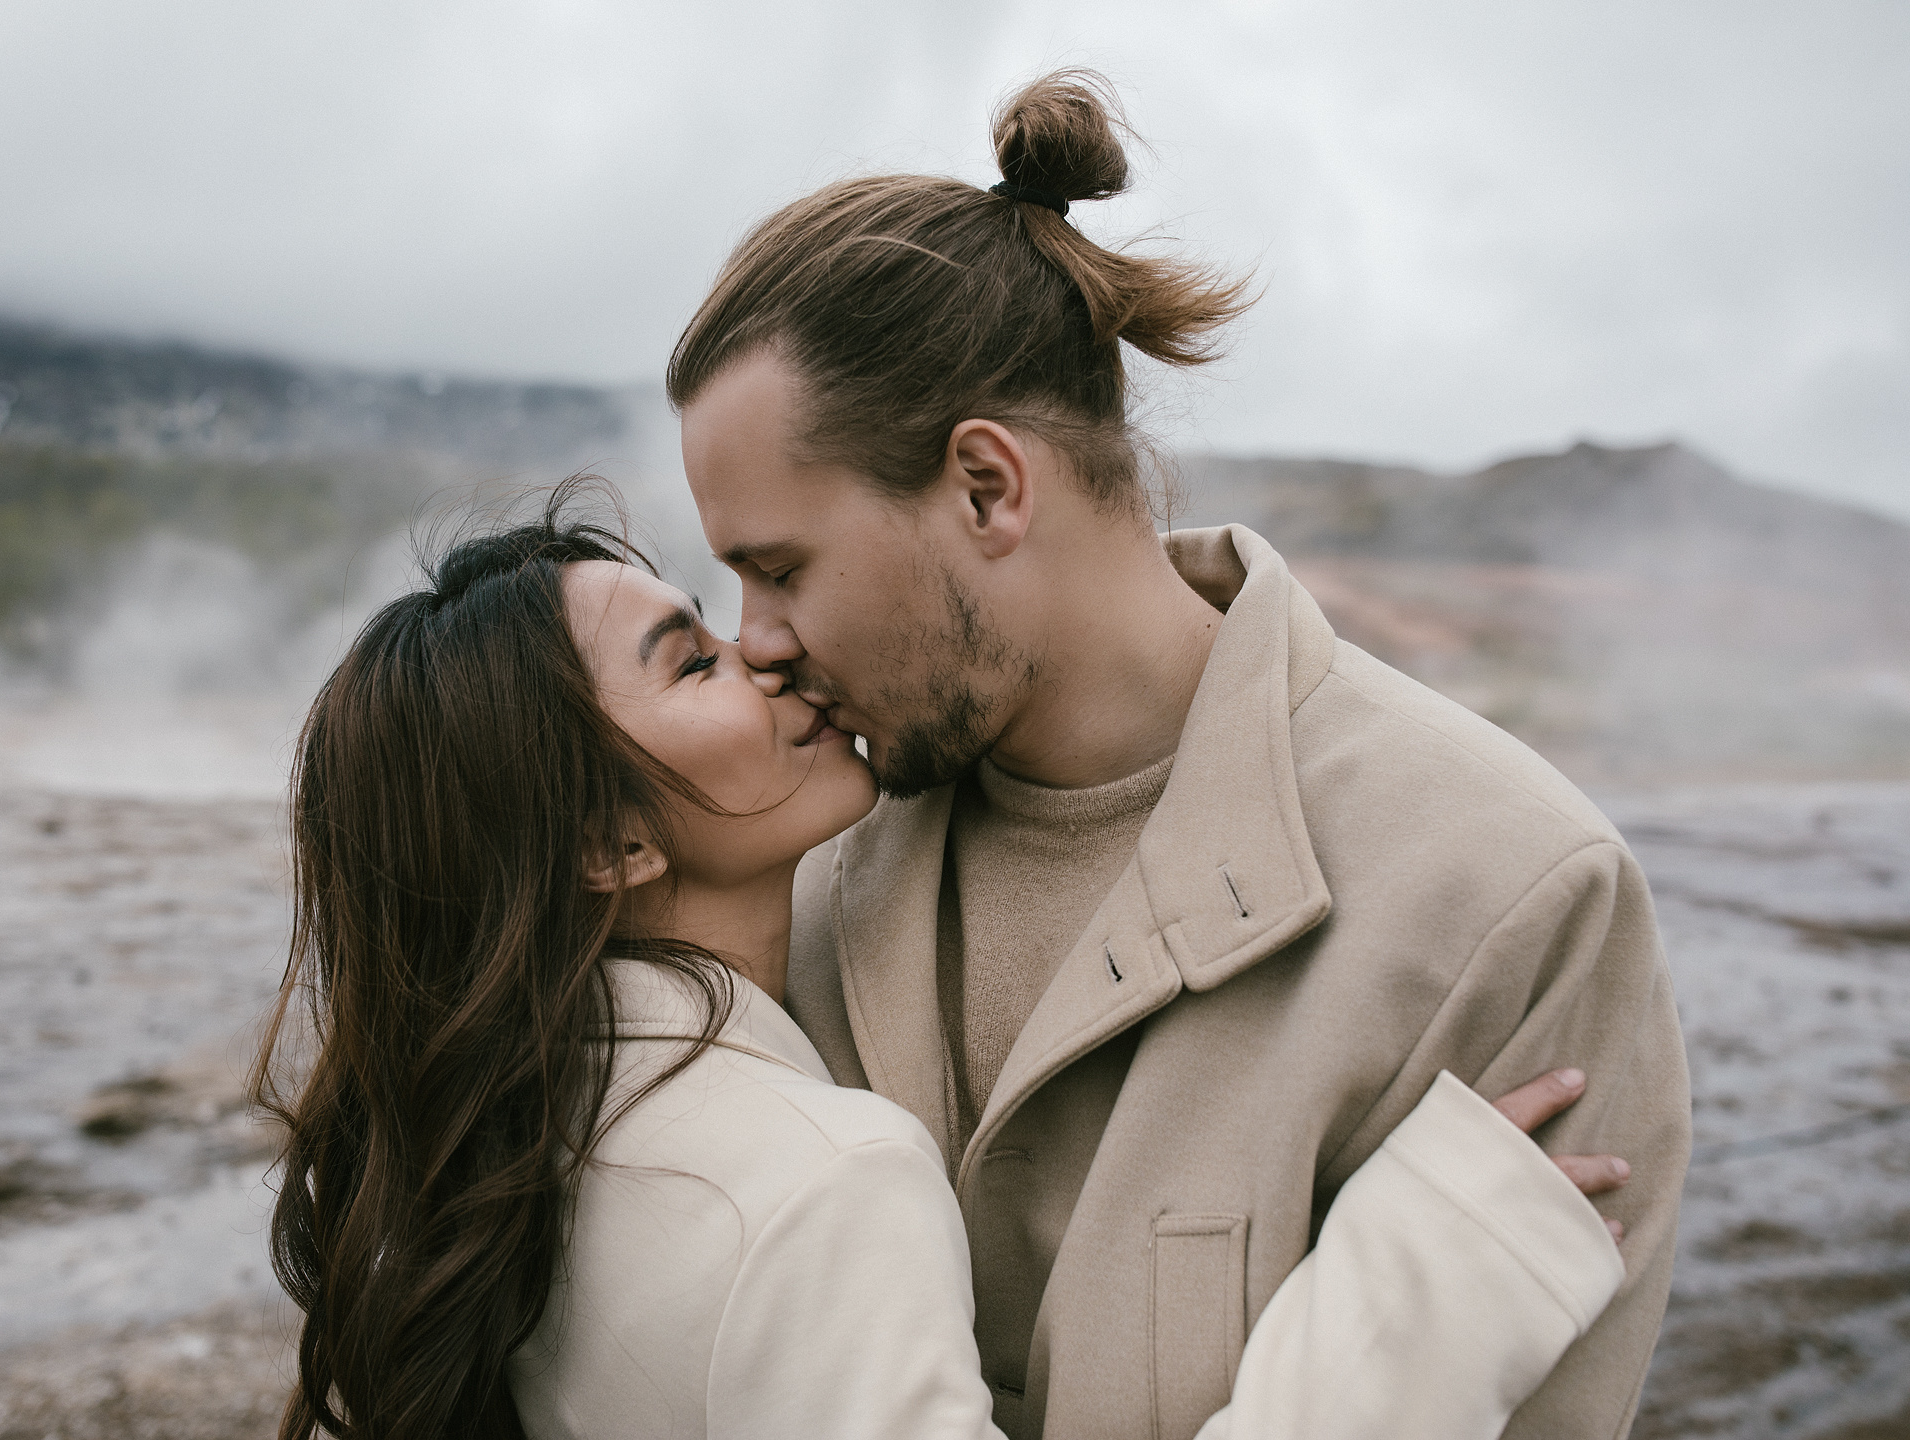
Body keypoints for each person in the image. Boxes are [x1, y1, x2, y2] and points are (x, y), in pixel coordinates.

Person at [668, 70, 1691, 1439]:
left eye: (779, 568)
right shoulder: (791, 878)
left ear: (988, 485)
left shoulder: (1517, 899)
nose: (758, 646)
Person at [256, 490, 1632, 1440]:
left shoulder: (502, 1145)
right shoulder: (817, 1185)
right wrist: (1423, 1285)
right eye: (691, 663)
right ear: (606, 843)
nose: (767, 654)